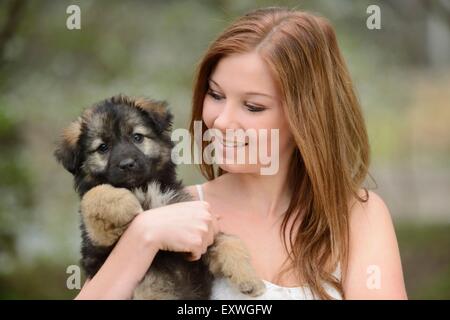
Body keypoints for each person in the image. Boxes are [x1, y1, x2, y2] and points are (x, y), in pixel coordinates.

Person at [75, 7, 407, 300]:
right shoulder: (172, 212)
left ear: (307, 118)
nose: (221, 121)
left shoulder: (356, 217)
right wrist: (143, 236)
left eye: (252, 106)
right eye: (216, 95)